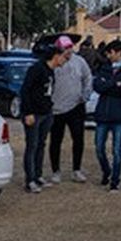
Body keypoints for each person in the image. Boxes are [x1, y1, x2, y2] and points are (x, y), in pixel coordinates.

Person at [20, 37, 68, 193]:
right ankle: (30, 180)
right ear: (55, 56)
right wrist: (28, 112)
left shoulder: (51, 72)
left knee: (41, 145)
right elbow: (25, 90)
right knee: (32, 146)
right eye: (62, 57)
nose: (64, 60)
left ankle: (38, 175)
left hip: (46, 113)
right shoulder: (37, 69)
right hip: (34, 113)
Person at [92, 40, 121, 191]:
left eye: (110, 53)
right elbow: (97, 86)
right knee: (99, 147)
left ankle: (115, 181)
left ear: (118, 52)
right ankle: (106, 171)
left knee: (117, 150)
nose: (108, 55)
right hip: (103, 114)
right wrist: (115, 84)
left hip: (119, 115)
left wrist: (109, 85)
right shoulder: (104, 67)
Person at [48, 35, 93, 184]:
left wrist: (85, 94)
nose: (68, 51)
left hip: (76, 106)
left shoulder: (80, 61)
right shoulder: (55, 62)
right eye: (65, 48)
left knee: (78, 139)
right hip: (56, 108)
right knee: (55, 140)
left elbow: (88, 78)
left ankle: (76, 170)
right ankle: (56, 171)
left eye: (70, 47)